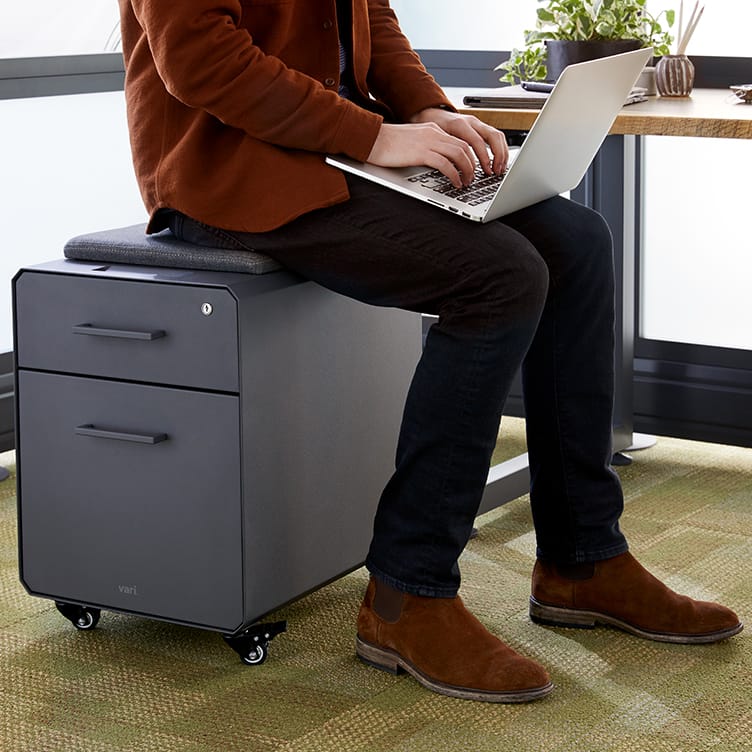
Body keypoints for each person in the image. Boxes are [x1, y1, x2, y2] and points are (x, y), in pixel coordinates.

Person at [118, 0, 743, 703]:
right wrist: (372, 136)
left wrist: (422, 110)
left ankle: (583, 560)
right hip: (235, 170)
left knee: (578, 244)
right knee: (502, 278)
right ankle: (406, 595)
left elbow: (370, 19)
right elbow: (199, 58)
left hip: (335, 149)